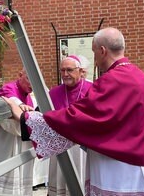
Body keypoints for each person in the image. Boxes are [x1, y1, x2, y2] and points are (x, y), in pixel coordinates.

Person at [4, 27, 144, 195]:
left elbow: (83, 118)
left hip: (125, 170)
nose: (95, 59)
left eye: (94, 53)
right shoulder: (140, 75)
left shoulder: (112, 80)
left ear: (102, 51)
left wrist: (25, 118)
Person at [47, 55, 93, 195]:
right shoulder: (54, 93)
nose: (65, 74)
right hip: (60, 147)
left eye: (69, 70)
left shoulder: (92, 89)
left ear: (80, 71)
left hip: (83, 147)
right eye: (62, 71)